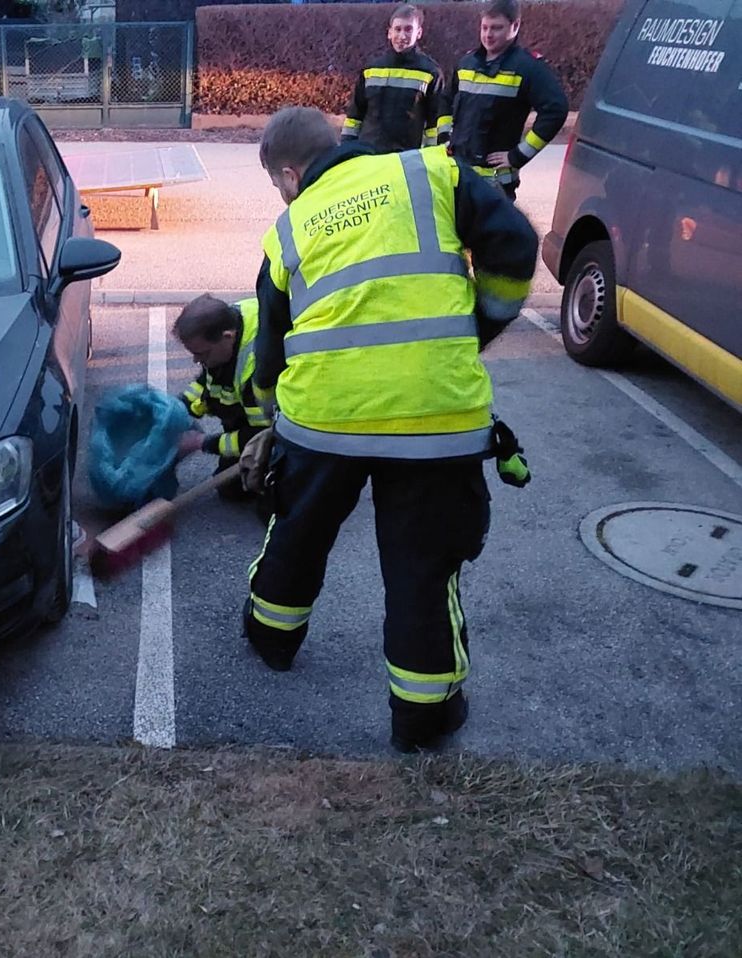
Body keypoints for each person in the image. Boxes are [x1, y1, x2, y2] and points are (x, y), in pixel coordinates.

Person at [246, 106, 538, 752]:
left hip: (323, 424)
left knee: (297, 534)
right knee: (422, 570)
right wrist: (478, 327)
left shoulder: (287, 230)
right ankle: (422, 717)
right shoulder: (431, 173)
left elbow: (269, 352)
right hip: (435, 423)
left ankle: (270, 638)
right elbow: (515, 246)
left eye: (278, 185)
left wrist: (271, 421)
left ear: (291, 175)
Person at [440, 0, 568, 199]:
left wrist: (518, 155)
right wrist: (444, 138)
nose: (488, 35)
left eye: (496, 28)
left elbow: (556, 110)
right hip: (457, 174)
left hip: (495, 184)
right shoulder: (466, 63)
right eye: (484, 27)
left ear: (515, 26)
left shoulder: (528, 67)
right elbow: (445, 100)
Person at [174, 295, 271, 502]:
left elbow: (261, 436)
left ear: (228, 337)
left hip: (282, 429)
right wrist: (177, 409)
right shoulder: (228, 323)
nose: (196, 360)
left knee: (257, 497)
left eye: (202, 353)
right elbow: (210, 380)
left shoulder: (259, 369)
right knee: (230, 489)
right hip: (253, 415)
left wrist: (202, 443)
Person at [341, 4, 446, 152]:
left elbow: (434, 123)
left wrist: (429, 156)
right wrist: (346, 148)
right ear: (389, 33)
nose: (402, 36)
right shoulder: (372, 69)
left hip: (405, 160)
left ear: (419, 33)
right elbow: (354, 116)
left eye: (408, 29)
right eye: (398, 29)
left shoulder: (430, 72)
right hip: (368, 155)